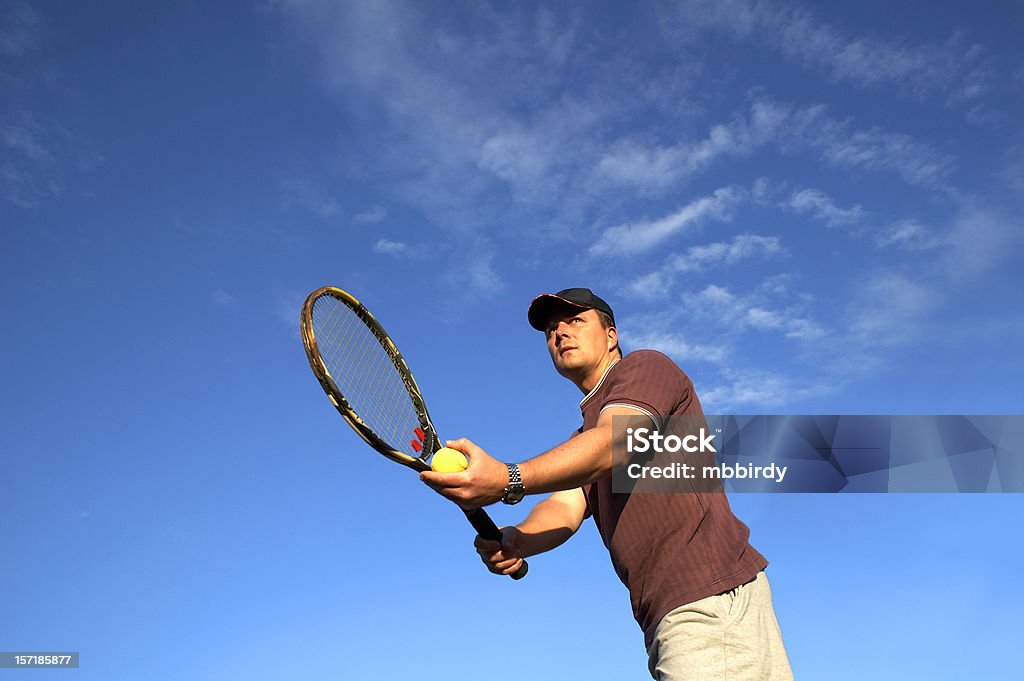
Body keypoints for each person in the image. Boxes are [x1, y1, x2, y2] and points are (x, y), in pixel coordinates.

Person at [420, 288, 792, 680]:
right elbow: (564, 506)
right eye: (550, 329)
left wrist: (507, 479)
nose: (560, 333)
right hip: (673, 613)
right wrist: (517, 538)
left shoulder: (645, 368)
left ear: (611, 335)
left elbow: (616, 441)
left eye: (575, 320)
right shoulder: (584, 439)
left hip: (708, 596)